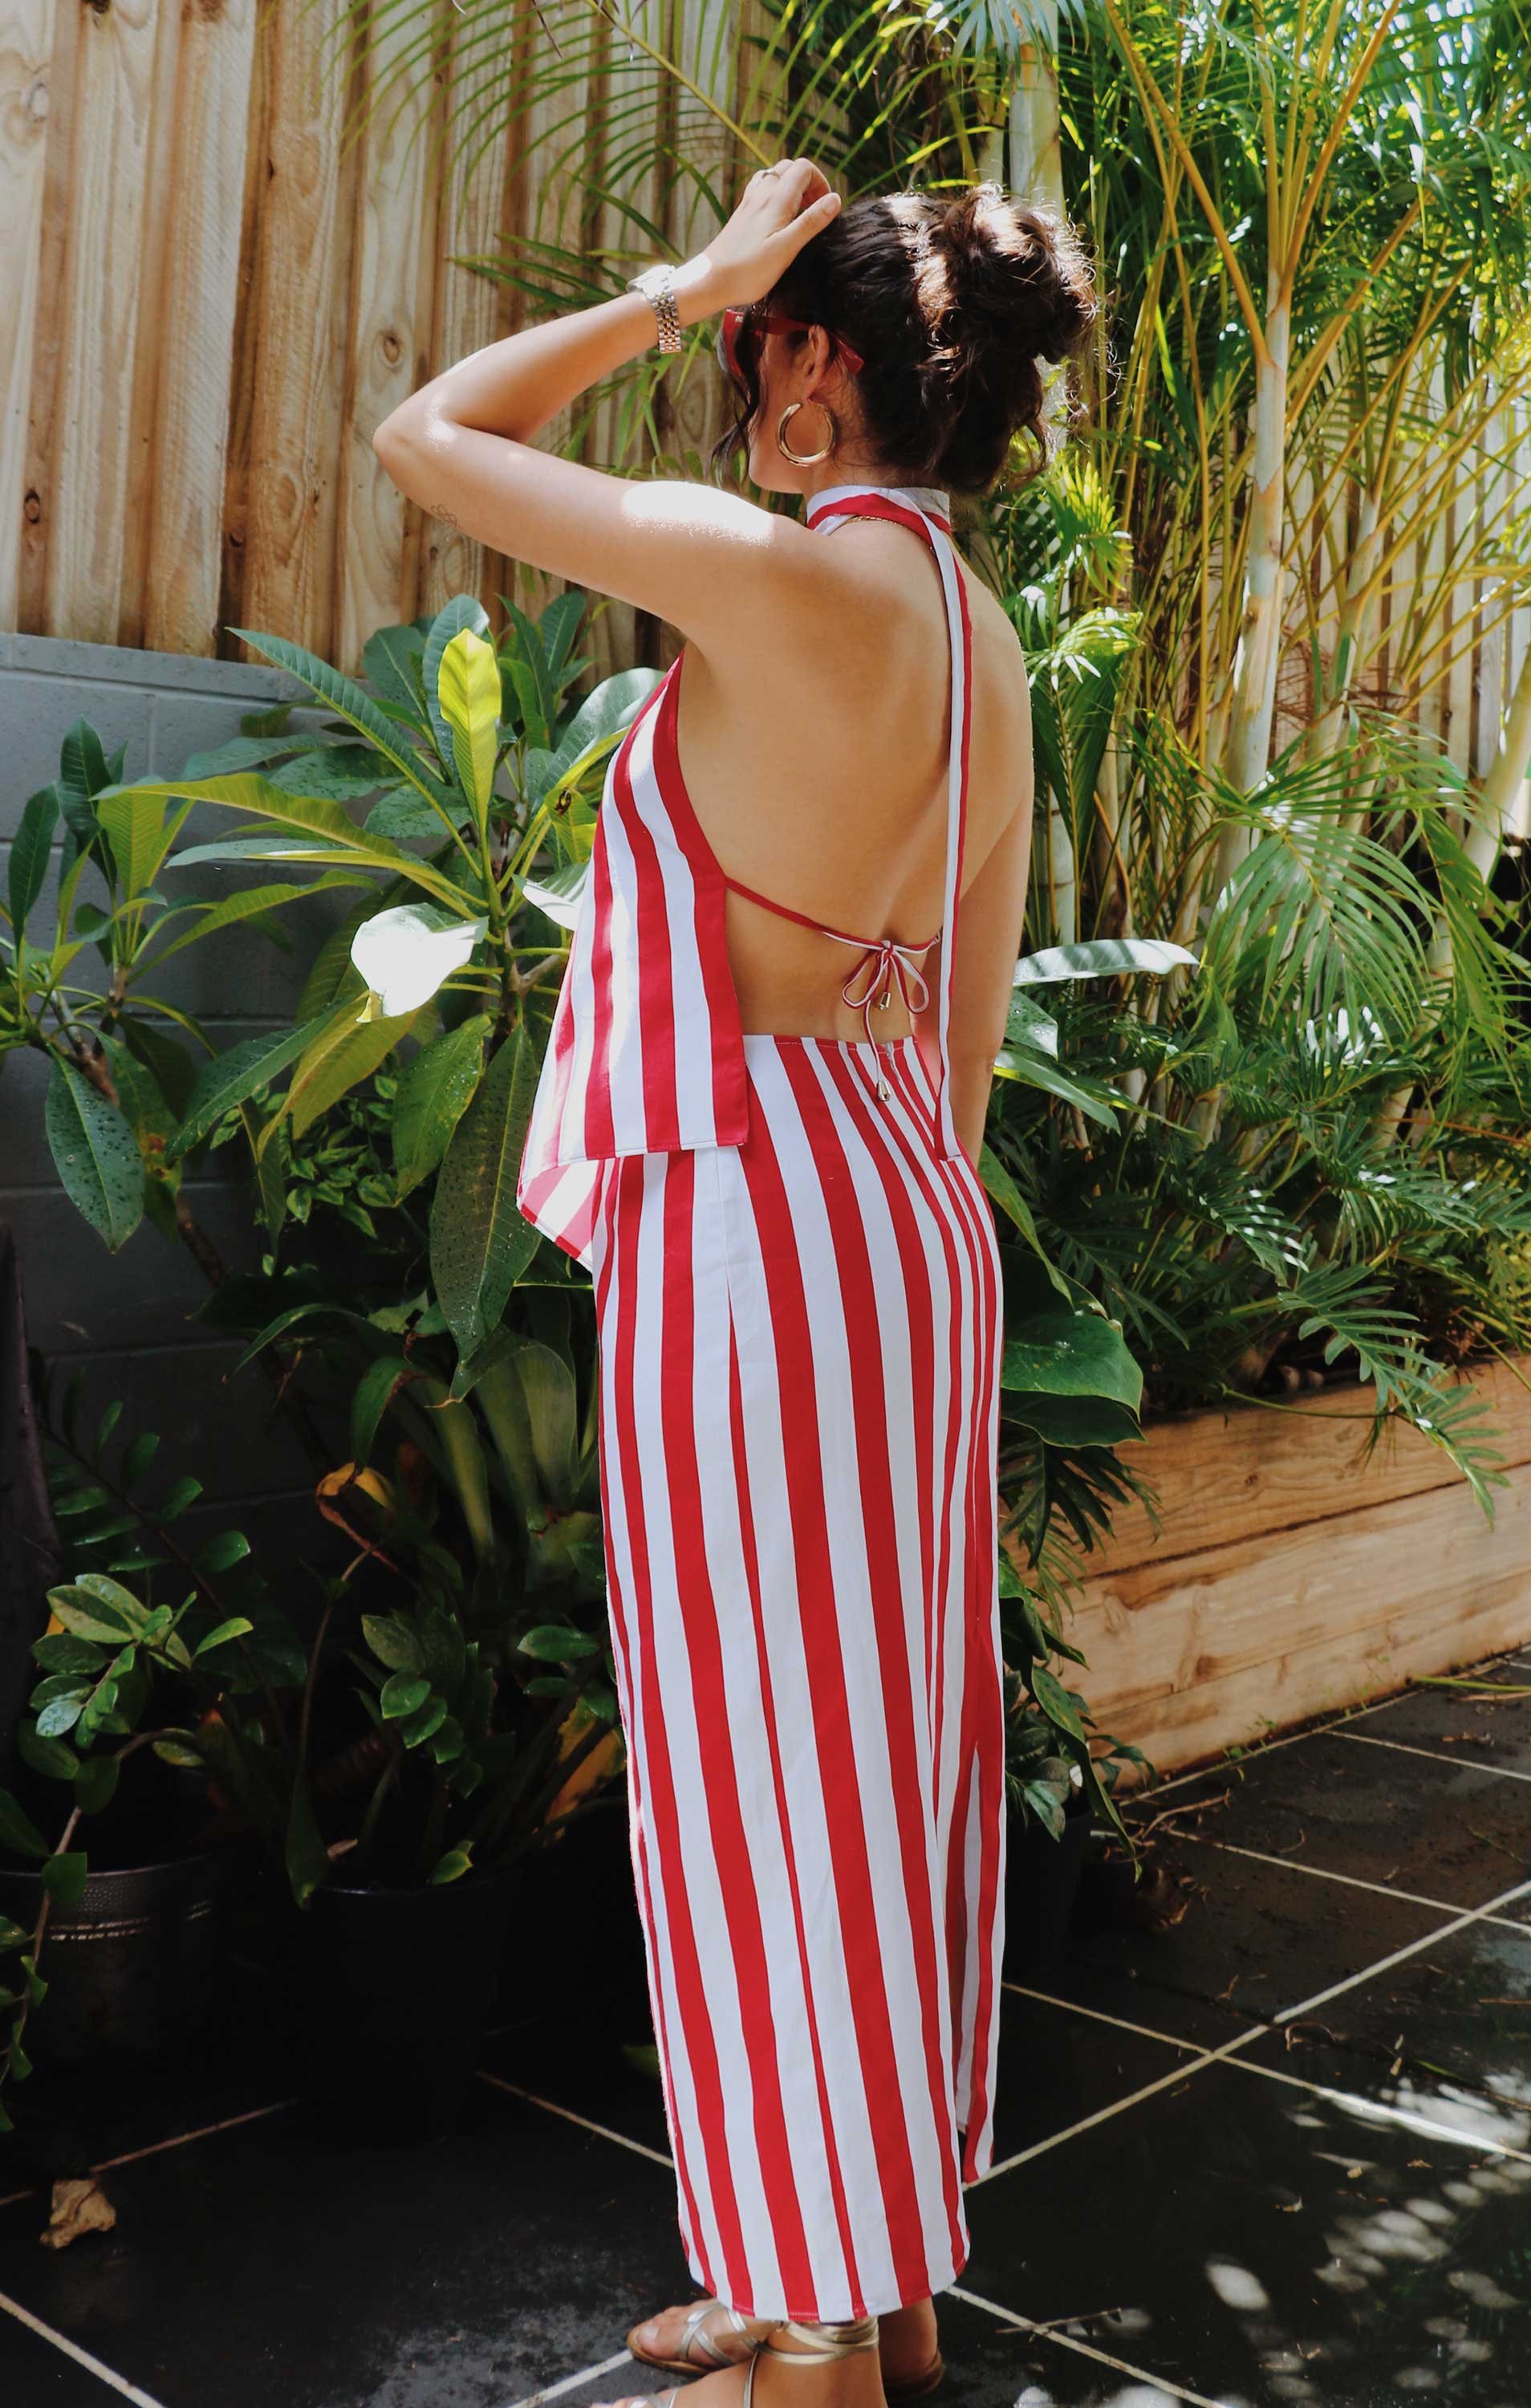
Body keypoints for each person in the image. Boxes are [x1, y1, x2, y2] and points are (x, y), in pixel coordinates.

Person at [373, 161, 1095, 2408]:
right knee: (879, 1770)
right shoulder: (979, 644)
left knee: (753, 1781)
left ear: (813, 367)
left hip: (755, 1211)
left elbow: (431, 439)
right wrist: (893, 1239)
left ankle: (798, 2349)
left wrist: (674, 279)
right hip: (904, 1211)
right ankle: (871, 2284)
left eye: (747, 350)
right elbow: (961, 1035)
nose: (724, 384)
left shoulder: (788, 588)